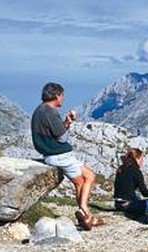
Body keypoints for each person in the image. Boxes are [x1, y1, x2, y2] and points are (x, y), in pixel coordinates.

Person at [31, 82, 103, 230]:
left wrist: (66, 123)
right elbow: (62, 138)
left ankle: (85, 213)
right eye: (62, 95)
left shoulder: (39, 110)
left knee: (90, 175)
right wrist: (70, 122)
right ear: (56, 95)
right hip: (60, 154)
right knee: (80, 182)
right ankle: (85, 213)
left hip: (53, 153)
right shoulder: (50, 112)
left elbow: (55, 132)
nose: (63, 99)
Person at [113, 148, 148, 215]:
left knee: (137, 197)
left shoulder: (121, 168)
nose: (142, 161)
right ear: (137, 158)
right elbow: (144, 192)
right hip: (129, 206)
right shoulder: (136, 171)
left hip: (118, 205)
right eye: (142, 159)